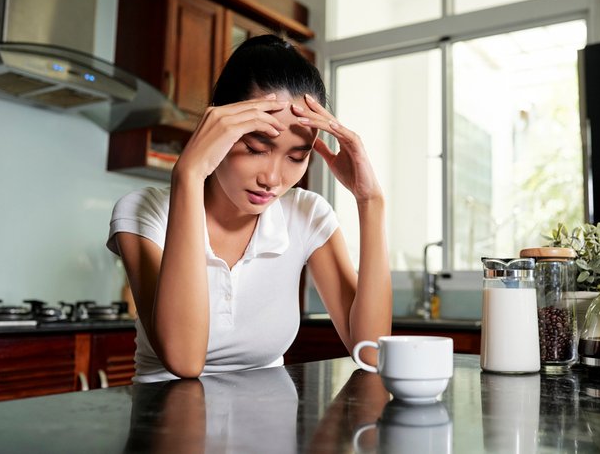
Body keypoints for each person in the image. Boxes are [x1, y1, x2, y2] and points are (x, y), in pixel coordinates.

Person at [107, 34, 392, 382]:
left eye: (296, 156)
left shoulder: (306, 215)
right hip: (167, 427)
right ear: (218, 129)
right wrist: (189, 174)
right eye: (257, 148)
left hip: (269, 429)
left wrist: (371, 201)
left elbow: (372, 352)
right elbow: (184, 360)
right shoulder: (143, 213)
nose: (272, 178)